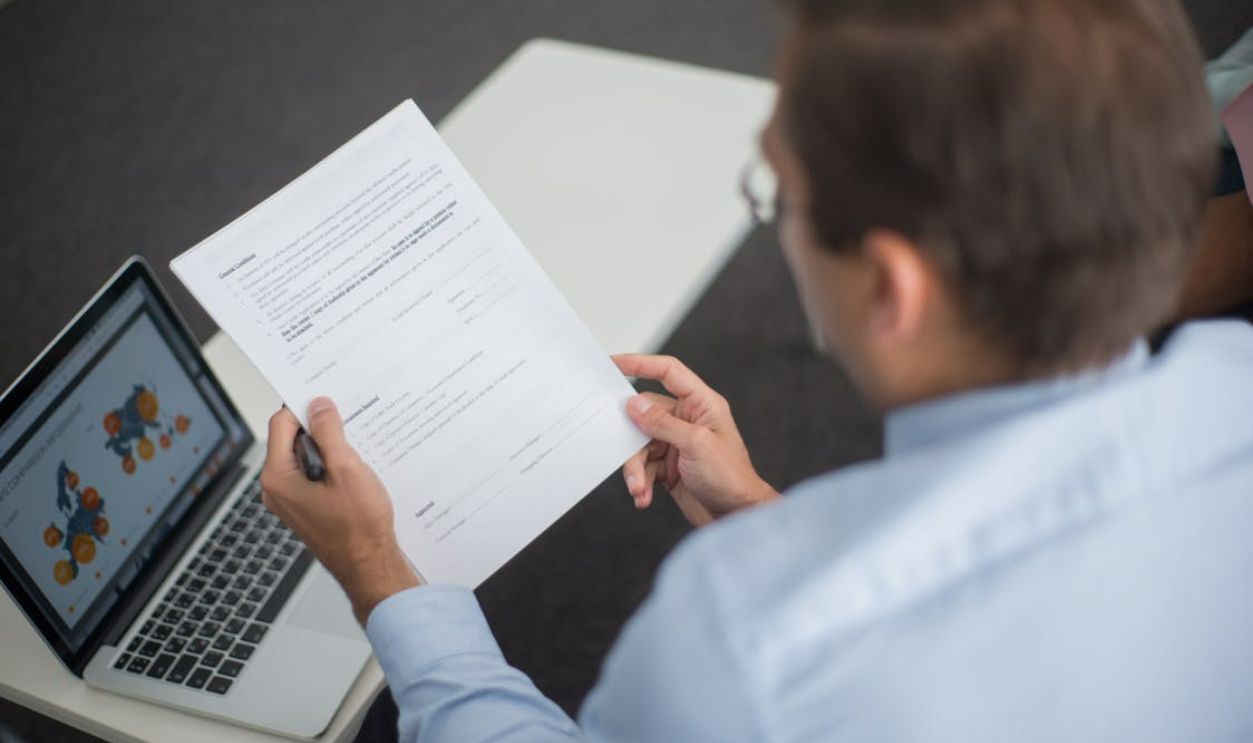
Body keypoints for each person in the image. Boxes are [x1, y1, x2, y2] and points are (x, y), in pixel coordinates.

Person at [260, 0, 1253, 740]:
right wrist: (763, 513)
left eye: (779, 189)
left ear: (889, 287)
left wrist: (379, 572)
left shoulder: (745, 642)